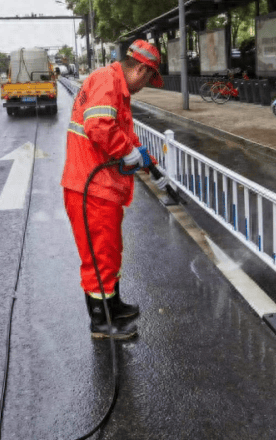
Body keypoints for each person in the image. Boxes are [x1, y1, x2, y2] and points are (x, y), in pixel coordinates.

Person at [61, 39, 168, 340]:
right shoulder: (108, 81)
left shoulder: (116, 88)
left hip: (100, 188)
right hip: (90, 189)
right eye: (149, 79)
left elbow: (123, 133)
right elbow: (98, 126)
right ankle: (101, 322)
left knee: (110, 252)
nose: (146, 85)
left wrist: (148, 162)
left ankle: (113, 305)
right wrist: (127, 152)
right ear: (141, 69)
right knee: (99, 257)